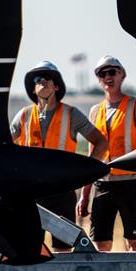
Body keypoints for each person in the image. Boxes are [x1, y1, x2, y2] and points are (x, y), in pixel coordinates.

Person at [11, 60, 108, 251]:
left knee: (63, 249)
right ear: (33, 90)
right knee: (30, 249)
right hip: (31, 194)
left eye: (48, 79)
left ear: (56, 86)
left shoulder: (72, 114)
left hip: (62, 192)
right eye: (38, 79)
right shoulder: (22, 116)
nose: (43, 82)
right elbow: (5, 148)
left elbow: (101, 142)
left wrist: (84, 172)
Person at [76, 56, 136, 251]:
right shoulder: (95, 111)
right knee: (100, 244)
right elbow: (92, 154)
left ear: (122, 76)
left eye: (112, 72)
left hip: (130, 185)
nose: (107, 77)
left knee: (135, 243)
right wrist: (85, 194)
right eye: (102, 74)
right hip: (102, 185)